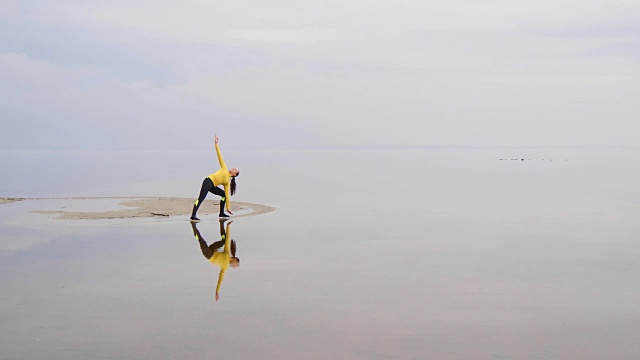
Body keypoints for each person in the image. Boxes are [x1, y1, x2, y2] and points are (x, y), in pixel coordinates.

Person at [190, 134, 240, 222]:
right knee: (201, 198)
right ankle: (193, 215)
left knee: (224, 194)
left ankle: (221, 213)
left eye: (235, 170)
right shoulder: (224, 167)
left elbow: (227, 196)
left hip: (212, 186)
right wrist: (216, 144)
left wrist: (228, 208)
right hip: (208, 181)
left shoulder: (227, 182)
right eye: (234, 168)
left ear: (235, 174)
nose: (233, 168)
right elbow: (219, 155)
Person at [191, 219, 239, 301]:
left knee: (201, 240)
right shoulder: (227, 254)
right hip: (213, 250)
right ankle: (221, 223)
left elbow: (220, 278)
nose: (234, 266)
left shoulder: (225, 267)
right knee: (224, 241)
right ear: (235, 259)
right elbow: (228, 240)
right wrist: (228, 227)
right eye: (236, 264)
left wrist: (217, 291)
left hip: (209, 255)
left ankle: (193, 226)